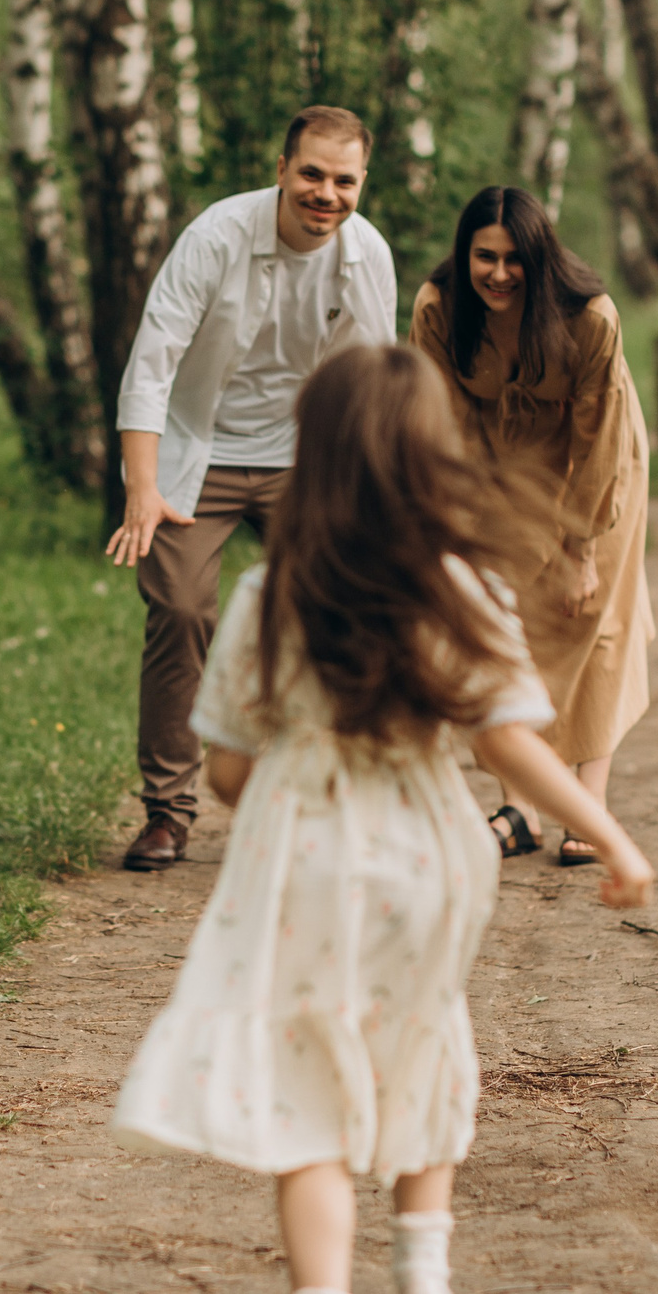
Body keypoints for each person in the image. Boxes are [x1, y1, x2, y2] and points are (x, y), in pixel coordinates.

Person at [109, 345, 656, 1294]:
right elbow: (508, 745)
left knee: (307, 1087)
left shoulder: (268, 595)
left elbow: (231, 766)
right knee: (422, 1037)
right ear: (430, 454)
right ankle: (422, 1270)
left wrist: (285, 788)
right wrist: (608, 832)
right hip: (430, 859)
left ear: (313, 459)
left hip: (305, 860)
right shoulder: (463, 588)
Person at [104, 105, 398, 872]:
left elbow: (376, 383)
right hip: (193, 453)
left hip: (305, 457)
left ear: (362, 183)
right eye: (311, 173)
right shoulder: (216, 237)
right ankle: (169, 812)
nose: (325, 193)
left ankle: (333, 801)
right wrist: (141, 487)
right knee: (179, 607)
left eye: (343, 180)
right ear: (281, 168)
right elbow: (153, 362)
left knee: (342, 610)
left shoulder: (366, 255)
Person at [410, 185, 654, 867]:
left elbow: (598, 440)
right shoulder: (439, 308)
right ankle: (517, 808)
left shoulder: (590, 319)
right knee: (499, 620)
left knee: (590, 617)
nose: (498, 272)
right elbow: (439, 428)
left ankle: (590, 803)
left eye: (515, 258)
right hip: (492, 459)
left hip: (595, 462)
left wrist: (581, 547)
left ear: (539, 258)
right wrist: (450, 534)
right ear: (465, 255)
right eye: (484, 256)